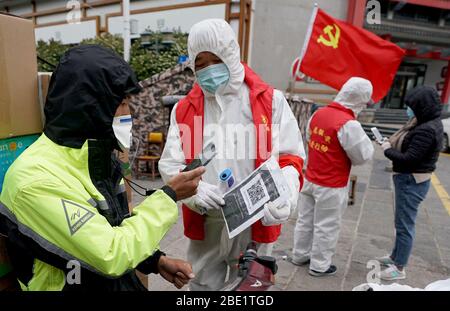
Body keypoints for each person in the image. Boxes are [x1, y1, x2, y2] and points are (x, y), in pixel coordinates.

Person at [0, 45, 205, 291]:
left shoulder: (96, 159)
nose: (128, 114)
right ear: (88, 107)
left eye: (128, 104)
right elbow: (110, 253)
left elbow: (112, 227)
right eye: (120, 104)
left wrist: (155, 260)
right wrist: (168, 197)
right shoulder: (33, 180)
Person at [159, 19, 305, 291]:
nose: (208, 69)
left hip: (256, 221)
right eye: (200, 63)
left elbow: (291, 158)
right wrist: (193, 192)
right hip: (208, 222)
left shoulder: (269, 101)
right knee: (202, 285)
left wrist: (286, 193)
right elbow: (171, 163)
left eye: (215, 59)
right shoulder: (183, 110)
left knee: (251, 287)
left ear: (230, 54)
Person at [292, 77, 374, 276]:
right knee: (326, 226)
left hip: (311, 178)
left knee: (305, 220)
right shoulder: (349, 124)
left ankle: (299, 255)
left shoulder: (319, 114)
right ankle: (319, 265)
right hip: (332, 184)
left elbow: (312, 141)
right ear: (359, 100)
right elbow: (363, 156)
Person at [375, 86, 443, 281]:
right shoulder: (425, 122)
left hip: (411, 180)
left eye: (412, 107)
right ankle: (395, 256)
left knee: (405, 225)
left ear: (422, 107)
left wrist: (387, 149)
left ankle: (399, 267)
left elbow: (409, 158)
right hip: (410, 178)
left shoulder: (427, 129)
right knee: (401, 222)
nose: (409, 110)